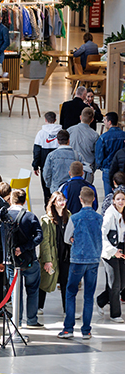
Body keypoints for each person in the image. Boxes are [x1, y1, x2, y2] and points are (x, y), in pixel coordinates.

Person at [58, 187, 102, 339]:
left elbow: (66, 238)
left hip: (78, 259)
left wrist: (74, 241)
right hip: (94, 259)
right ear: (94, 199)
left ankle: (68, 329)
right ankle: (86, 330)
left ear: (80, 199)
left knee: (71, 293)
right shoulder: (99, 218)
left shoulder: (75, 218)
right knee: (89, 296)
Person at [7, 188, 44, 328]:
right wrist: (24, 248)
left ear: (11, 200)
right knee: (33, 290)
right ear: (24, 201)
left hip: (11, 260)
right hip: (29, 260)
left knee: (15, 291)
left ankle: (17, 320)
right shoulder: (30, 216)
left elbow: (0, 240)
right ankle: (32, 320)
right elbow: (39, 236)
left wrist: (0, 260)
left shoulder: (6, 216)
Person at [40, 191, 71, 313]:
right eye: (59, 200)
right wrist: (47, 260)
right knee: (46, 281)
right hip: (53, 255)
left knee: (65, 282)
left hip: (65, 255)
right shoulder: (47, 220)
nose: (62, 202)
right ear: (53, 203)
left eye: (64, 200)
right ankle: (39, 306)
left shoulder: (68, 215)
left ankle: (67, 309)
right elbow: (45, 242)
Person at [98, 189, 125, 322]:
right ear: (113, 201)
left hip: (121, 249)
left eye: (123, 199)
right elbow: (102, 235)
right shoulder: (109, 214)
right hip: (110, 251)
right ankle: (115, 314)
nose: (121, 201)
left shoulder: (123, 214)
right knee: (115, 284)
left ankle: (101, 300)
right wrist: (113, 251)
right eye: (118, 199)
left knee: (122, 283)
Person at [33, 111, 62, 204]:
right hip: (58, 165)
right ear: (55, 120)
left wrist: (35, 165)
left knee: (46, 189)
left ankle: (48, 206)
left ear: (45, 120)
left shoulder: (41, 134)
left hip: (45, 165)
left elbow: (37, 151)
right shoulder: (61, 132)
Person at [96, 112, 125, 197]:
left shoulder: (103, 137)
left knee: (109, 196)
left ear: (109, 122)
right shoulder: (123, 135)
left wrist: (101, 165)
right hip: (122, 168)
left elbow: (99, 155)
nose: (104, 122)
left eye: (105, 120)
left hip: (107, 168)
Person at [68, 107, 99, 181]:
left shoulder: (70, 130)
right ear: (92, 120)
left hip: (71, 167)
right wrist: (92, 169)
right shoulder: (95, 135)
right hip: (87, 169)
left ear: (80, 117)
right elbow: (97, 154)